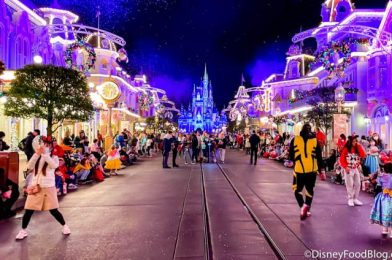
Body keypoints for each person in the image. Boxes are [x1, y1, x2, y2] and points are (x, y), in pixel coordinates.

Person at [16, 136, 70, 240]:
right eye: (44, 144)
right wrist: (37, 154)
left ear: (50, 147)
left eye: (48, 145)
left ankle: (65, 226)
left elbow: (54, 166)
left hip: (48, 187)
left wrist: (45, 154)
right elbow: (30, 166)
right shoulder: (37, 156)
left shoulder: (53, 157)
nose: (45, 147)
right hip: (35, 187)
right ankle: (23, 230)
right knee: (28, 210)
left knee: (53, 210)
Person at [289, 123, 325, 220]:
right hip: (312, 170)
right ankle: (307, 208)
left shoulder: (295, 139)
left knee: (297, 190)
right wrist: (322, 170)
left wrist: (294, 161)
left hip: (299, 169)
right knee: (309, 190)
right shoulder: (315, 141)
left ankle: (302, 206)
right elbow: (319, 156)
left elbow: (291, 155)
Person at [339, 135, 366, 207]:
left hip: (355, 168)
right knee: (349, 184)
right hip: (348, 168)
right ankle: (350, 199)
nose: (355, 142)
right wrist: (345, 167)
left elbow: (363, 155)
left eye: (356, 141)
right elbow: (341, 159)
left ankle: (355, 198)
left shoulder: (357, 147)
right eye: (354, 141)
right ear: (350, 141)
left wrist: (359, 146)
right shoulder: (346, 149)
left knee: (358, 184)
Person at [370, 170, 392, 237]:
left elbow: (373, 182)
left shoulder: (382, 176)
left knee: (384, 212)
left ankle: (384, 230)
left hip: (383, 197)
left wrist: (376, 174)